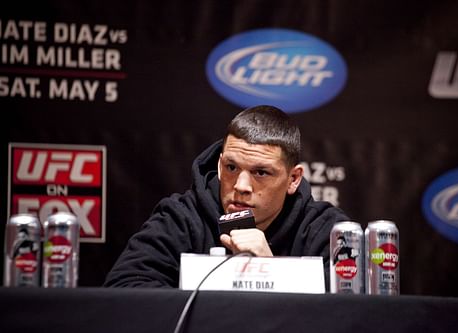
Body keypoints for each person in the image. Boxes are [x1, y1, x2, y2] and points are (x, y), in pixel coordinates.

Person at [104, 105, 349, 288]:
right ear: (220, 166)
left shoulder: (328, 230)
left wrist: (271, 271)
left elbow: (353, 310)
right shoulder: (182, 217)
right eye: (232, 168)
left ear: (293, 179)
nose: (241, 186)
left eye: (261, 172)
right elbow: (124, 289)